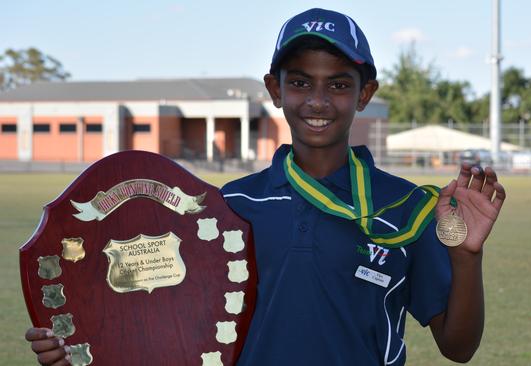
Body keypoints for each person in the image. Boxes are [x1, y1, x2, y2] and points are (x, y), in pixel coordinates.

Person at [25, 8, 505, 365]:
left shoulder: (406, 209)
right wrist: (83, 346)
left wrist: (467, 255)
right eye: (300, 82)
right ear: (275, 90)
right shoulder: (226, 209)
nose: (318, 100)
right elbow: (164, 320)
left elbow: (458, 346)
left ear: (365, 94)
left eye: (339, 84)